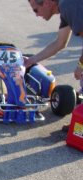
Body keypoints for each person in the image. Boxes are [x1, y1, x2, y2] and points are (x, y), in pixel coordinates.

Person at [25, 0, 83, 130]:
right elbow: (60, 43)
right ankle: (79, 122)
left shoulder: (69, 5)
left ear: (47, 3)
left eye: (36, 10)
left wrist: (81, 64)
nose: (36, 15)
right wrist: (31, 60)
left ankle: (80, 126)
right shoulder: (66, 7)